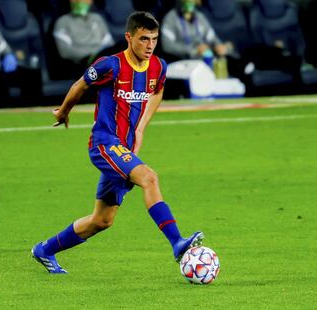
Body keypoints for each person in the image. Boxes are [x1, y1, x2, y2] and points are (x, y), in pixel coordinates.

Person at [31, 11, 204, 274]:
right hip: (103, 143)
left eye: (154, 39)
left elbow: (157, 91)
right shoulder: (110, 65)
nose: (150, 45)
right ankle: (177, 242)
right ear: (129, 36)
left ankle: (44, 250)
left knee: (102, 220)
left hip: (125, 147)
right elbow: (80, 85)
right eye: (144, 39)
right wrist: (63, 111)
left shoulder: (158, 66)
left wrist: (141, 129)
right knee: (149, 177)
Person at [52, 0, 115, 77]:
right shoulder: (62, 22)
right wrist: (94, 54)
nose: (79, 1)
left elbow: (110, 44)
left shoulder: (97, 19)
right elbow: (65, 52)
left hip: (106, 60)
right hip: (83, 65)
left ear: (91, 1)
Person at [160, 0, 232, 65]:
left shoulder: (200, 16)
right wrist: (193, 50)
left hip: (203, 62)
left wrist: (218, 45)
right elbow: (167, 46)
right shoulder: (170, 18)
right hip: (181, 63)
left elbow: (211, 37)